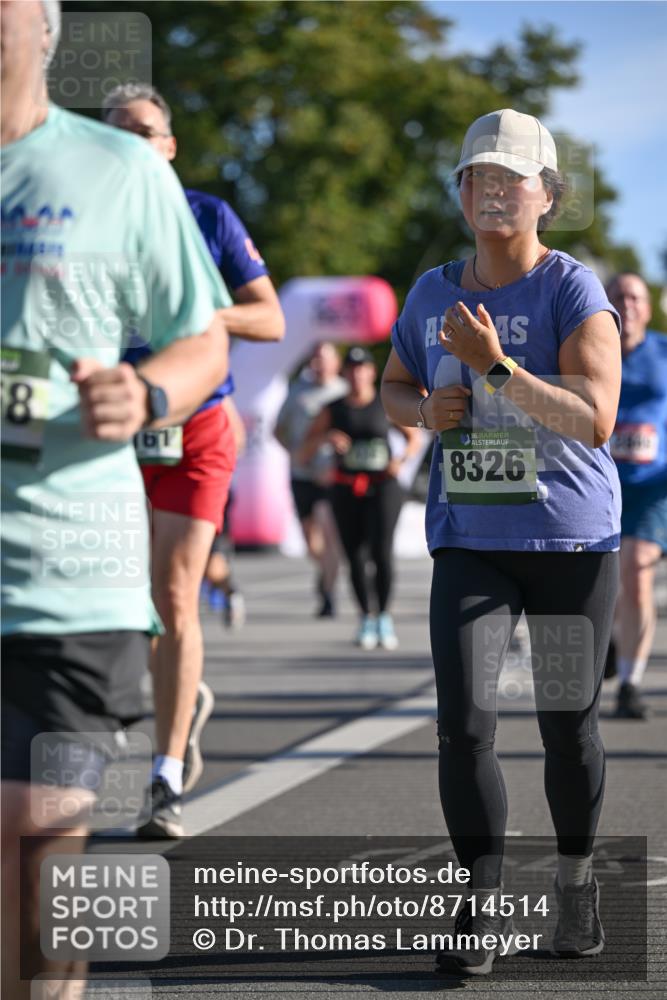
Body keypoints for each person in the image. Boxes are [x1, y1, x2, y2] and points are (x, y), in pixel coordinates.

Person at [1, 2, 230, 995]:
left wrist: (145, 391)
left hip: (64, 574)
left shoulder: (119, 170)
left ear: (45, 26)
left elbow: (205, 338)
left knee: (31, 860)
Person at [381, 108, 622, 974]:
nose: (491, 190)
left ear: (546, 195)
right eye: (476, 176)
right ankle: (478, 904)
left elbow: (595, 419)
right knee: (463, 728)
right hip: (471, 539)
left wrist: (494, 368)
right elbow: (394, 386)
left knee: (566, 730)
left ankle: (575, 883)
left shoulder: (571, 290)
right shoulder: (429, 292)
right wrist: (423, 410)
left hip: (568, 543)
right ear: (460, 192)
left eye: (510, 178)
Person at [101, 83, 285, 837]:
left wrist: (203, 313)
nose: (130, 144)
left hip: (197, 428)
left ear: (169, 145)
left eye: (144, 131)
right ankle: (178, 696)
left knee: (175, 594)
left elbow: (270, 318)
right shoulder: (82, 224)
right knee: (123, 603)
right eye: (115, 133)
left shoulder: (207, 216)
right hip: (108, 432)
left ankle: (166, 775)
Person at [301, 346, 421, 649]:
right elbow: (304, 450)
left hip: (383, 486)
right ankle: (366, 617)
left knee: (381, 551)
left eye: (362, 369)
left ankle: (384, 616)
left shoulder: (384, 404)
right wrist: (326, 438)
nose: (356, 375)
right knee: (354, 554)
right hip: (346, 486)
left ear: (371, 373)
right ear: (344, 374)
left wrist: (400, 461)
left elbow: (414, 439)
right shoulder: (333, 408)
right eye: (351, 370)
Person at [605, 272, 667, 719]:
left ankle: (629, 682)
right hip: (599, 486)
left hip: (653, 486)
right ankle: (612, 640)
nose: (627, 304)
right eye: (618, 296)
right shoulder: (588, 350)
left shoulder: (663, 352)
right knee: (606, 583)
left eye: (635, 297)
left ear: (648, 307)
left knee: (636, 573)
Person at [274, 341, 347, 616]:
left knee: (330, 534)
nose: (319, 365)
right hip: (302, 473)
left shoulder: (344, 391)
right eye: (315, 359)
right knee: (311, 541)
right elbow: (278, 430)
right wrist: (294, 453)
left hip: (331, 475)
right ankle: (324, 570)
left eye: (324, 359)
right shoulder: (298, 392)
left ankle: (329, 593)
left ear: (335, 362)